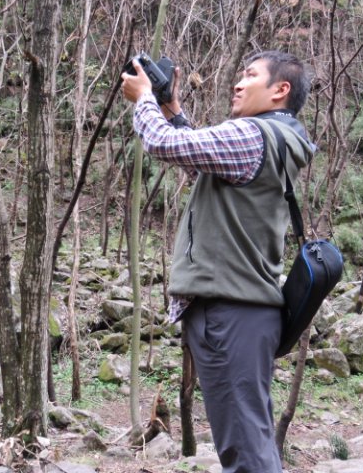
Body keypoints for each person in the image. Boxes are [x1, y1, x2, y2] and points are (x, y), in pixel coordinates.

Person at [121, 50, 314, 473]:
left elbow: (163, 144)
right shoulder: (278, 139)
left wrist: (144, 99)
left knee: (245, 452)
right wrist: (171, 107)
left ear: (280, 90)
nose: (238, 83)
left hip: (229, 312)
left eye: (250, 76)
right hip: (247, 311)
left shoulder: (252, 134)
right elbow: (203, 166)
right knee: (251, 440)